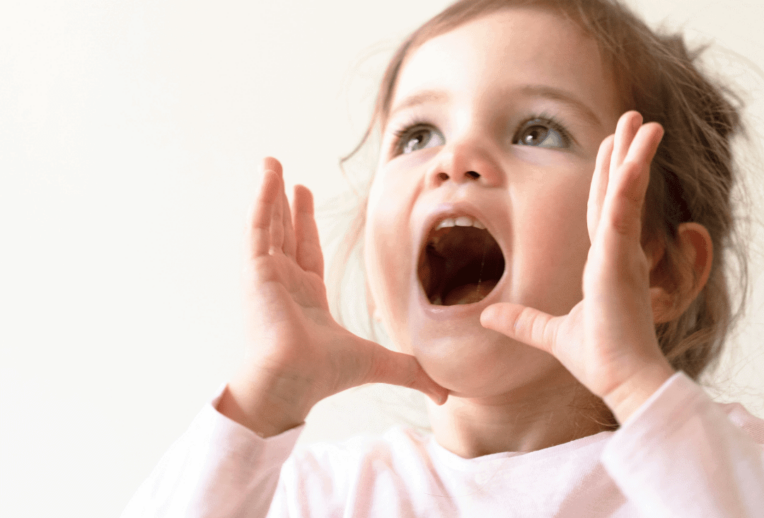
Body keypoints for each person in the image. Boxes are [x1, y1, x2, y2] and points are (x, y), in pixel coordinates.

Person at [122, 0, 764, 516]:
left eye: (537, 131)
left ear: (661, 270)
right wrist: (266, 398)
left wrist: (637, 384)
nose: (454, 161)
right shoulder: (320, 496)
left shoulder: (716, 467)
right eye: (417, 135)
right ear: (378, 279)